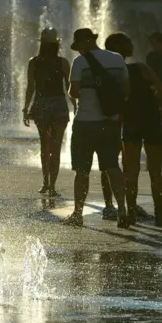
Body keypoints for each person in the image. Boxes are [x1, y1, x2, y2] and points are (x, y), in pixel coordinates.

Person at [66, 28, 130, 228]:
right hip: (110, 124)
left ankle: (77, 213)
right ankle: (122, 210)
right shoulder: (117, 59)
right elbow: (126, 90)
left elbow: (74, 92)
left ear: (85, 42)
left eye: (78, 46)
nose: (77, 51)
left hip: (85, 123)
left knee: (82, 170)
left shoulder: (80, 62)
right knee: (112, 166)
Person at [107, 32, 162, 226]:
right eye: (129, 43)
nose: (133, 45)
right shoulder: (141, 68)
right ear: (122, 48)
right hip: (151, 120)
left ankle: (131, 214)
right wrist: (151, 101)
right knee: (155, 171)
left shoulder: (112, 74)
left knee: (130, 171)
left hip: (130, 122)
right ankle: (159, 217)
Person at [23, 28, 72, 197]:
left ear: (41, 44)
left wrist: (26, 109)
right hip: (59, 104)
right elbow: (70, 88)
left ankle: (45, 183)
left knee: (45, 146)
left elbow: (31, 88)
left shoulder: (34, 62)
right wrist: (77, 106)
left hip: (41, 104)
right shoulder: (63, 63)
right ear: (57, 44)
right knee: (56, 148)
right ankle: (52, 185)